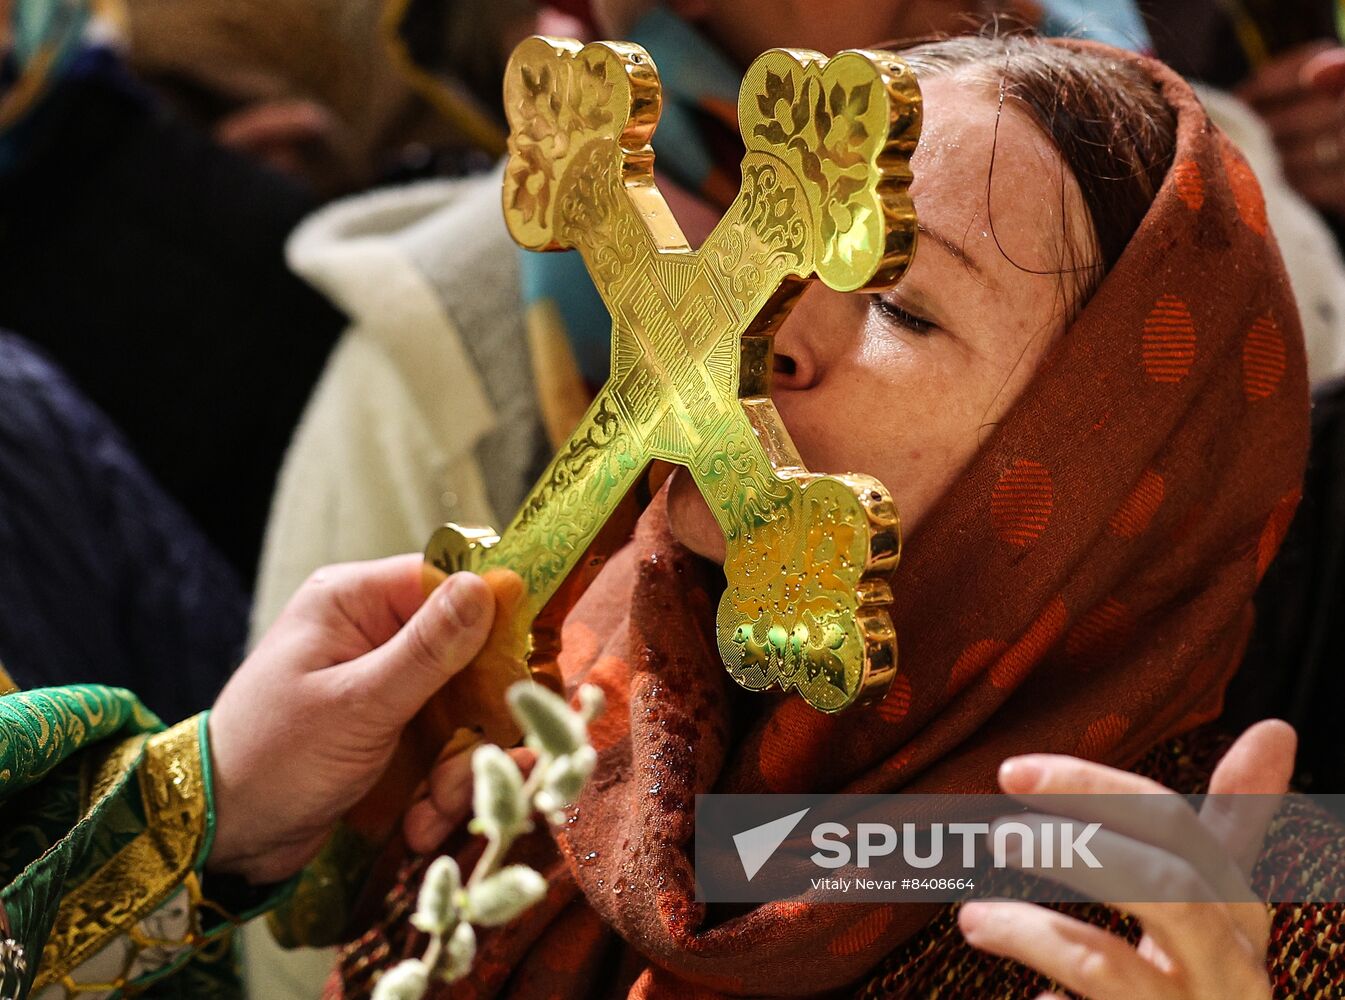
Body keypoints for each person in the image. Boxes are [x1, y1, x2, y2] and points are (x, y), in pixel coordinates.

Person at [10, 26, 1341, 1000]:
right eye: (786, 244)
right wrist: (224, 814)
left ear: (1101, 466)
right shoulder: (531, 790)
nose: (759, 330)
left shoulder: (1238, 916)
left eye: (900, 305)